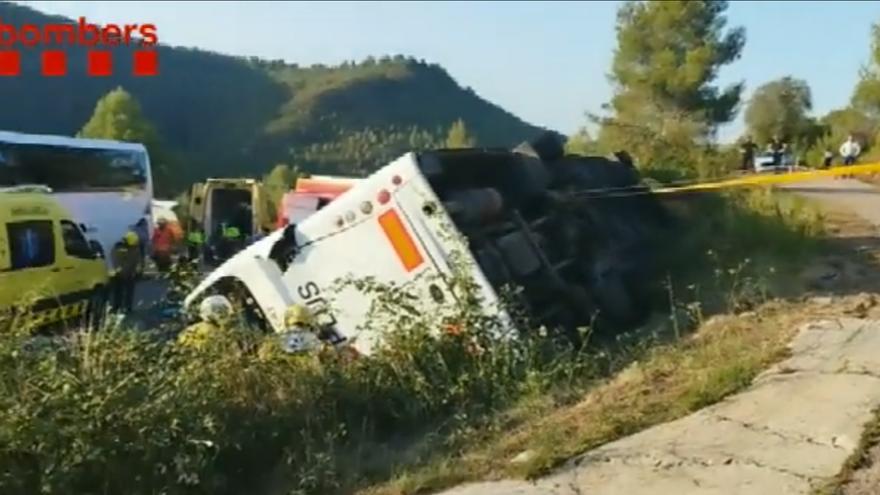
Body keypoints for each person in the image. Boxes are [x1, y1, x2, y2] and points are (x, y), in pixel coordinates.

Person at [110, 231, 141, 315]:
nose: (135, 245)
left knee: (126, 292)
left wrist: (137, 269)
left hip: (127, 273)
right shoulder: (119, 248)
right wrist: (118, 268)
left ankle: (125, 308)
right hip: (121, 273)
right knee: (120, 291)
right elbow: (115, 259)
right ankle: (118, 307)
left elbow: (136, 260)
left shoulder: (133, 248)